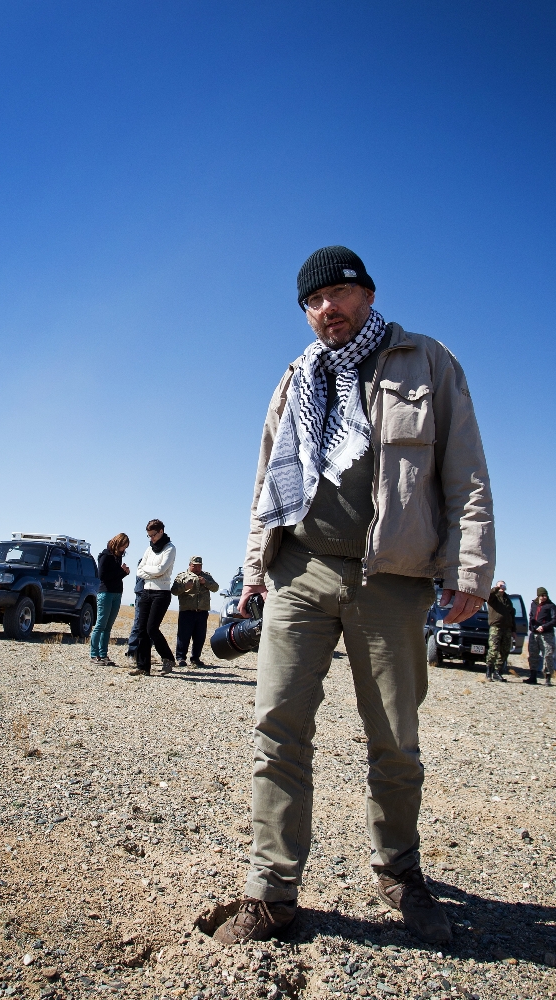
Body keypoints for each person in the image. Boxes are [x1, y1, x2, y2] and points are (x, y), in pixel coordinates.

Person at [209, 246, 494, 946]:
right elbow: (267, 484)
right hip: (300, 569)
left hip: (391, 576)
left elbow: (465, 472)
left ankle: (399, 870)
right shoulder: (296, 377)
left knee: (394, 739)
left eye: (336, 293)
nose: (325, 309)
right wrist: (253, 572)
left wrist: (468, 567)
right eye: (312, 301)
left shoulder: (426, 361)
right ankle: (271, 892)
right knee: (278, 730)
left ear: (367, 293)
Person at [130, 519, 177, 676]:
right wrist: (152, 571)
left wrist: (148, 571)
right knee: (141, 629)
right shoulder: (149, 549)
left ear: (161, 531)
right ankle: (143, 666)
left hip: (161, 593)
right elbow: (139, 570)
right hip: (146, 591)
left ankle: (168, 658)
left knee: (152, 628)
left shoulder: (170, 548)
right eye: (149, 536)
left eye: (153, 535)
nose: (151, 538)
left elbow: (161, 569)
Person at [90, 534, 130, 665]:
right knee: (100, 625)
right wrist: (121, 572)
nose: (124, 549)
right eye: (123, 546)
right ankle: (94, 654)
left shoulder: (118, 556)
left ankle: (103, 654)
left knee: (108, 627)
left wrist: (123, 573)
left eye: (125, 547)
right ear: (117, 543)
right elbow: (103, 576)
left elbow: (116, 576)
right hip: (106, 593)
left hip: (117, 593)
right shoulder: (105, 555)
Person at [172, 557, 219, 667]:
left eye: (199, 566)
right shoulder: (182, 576)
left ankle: (195, 658)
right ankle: (180, 658)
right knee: (183, 636)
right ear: (190, 565)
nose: (197, 568)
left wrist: (205, 582)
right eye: (195, 566)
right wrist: (185, 587)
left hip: (202, 612)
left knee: (200, 637)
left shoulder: (206, 576)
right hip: (187, 611)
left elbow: (216, 588)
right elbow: (174, 591)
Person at [485, 580, 515, 682]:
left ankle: (497, 672)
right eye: (500, 585)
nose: (502, 587)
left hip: (507, 628)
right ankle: (488, 672)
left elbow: (512, 615)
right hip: (496, 627)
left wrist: (514, 630)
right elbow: (488, 595)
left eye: (503, 585)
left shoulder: (507, 600)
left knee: (505, 651)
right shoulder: (493, 598)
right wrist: (497, 588)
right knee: (494, 649)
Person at [525, 587, 556, 686]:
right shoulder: (533, 604)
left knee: (548, 655)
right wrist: (532, 627)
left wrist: (544, 627)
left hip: (547, 635)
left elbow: (554, 620)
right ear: (538, 596)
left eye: (545, 595)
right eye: (542, 595)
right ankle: (533, 677)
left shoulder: (551, 606)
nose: (544, 597)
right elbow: (531, 616)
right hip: (534, 634)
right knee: (533, 654)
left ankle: (548, 678)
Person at [124, 560, 144, 662]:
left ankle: (143, 653)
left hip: (152, 594)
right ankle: (131, 652)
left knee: (150, 626)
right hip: (142, 594)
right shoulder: (144, 561)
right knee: (138, 623)